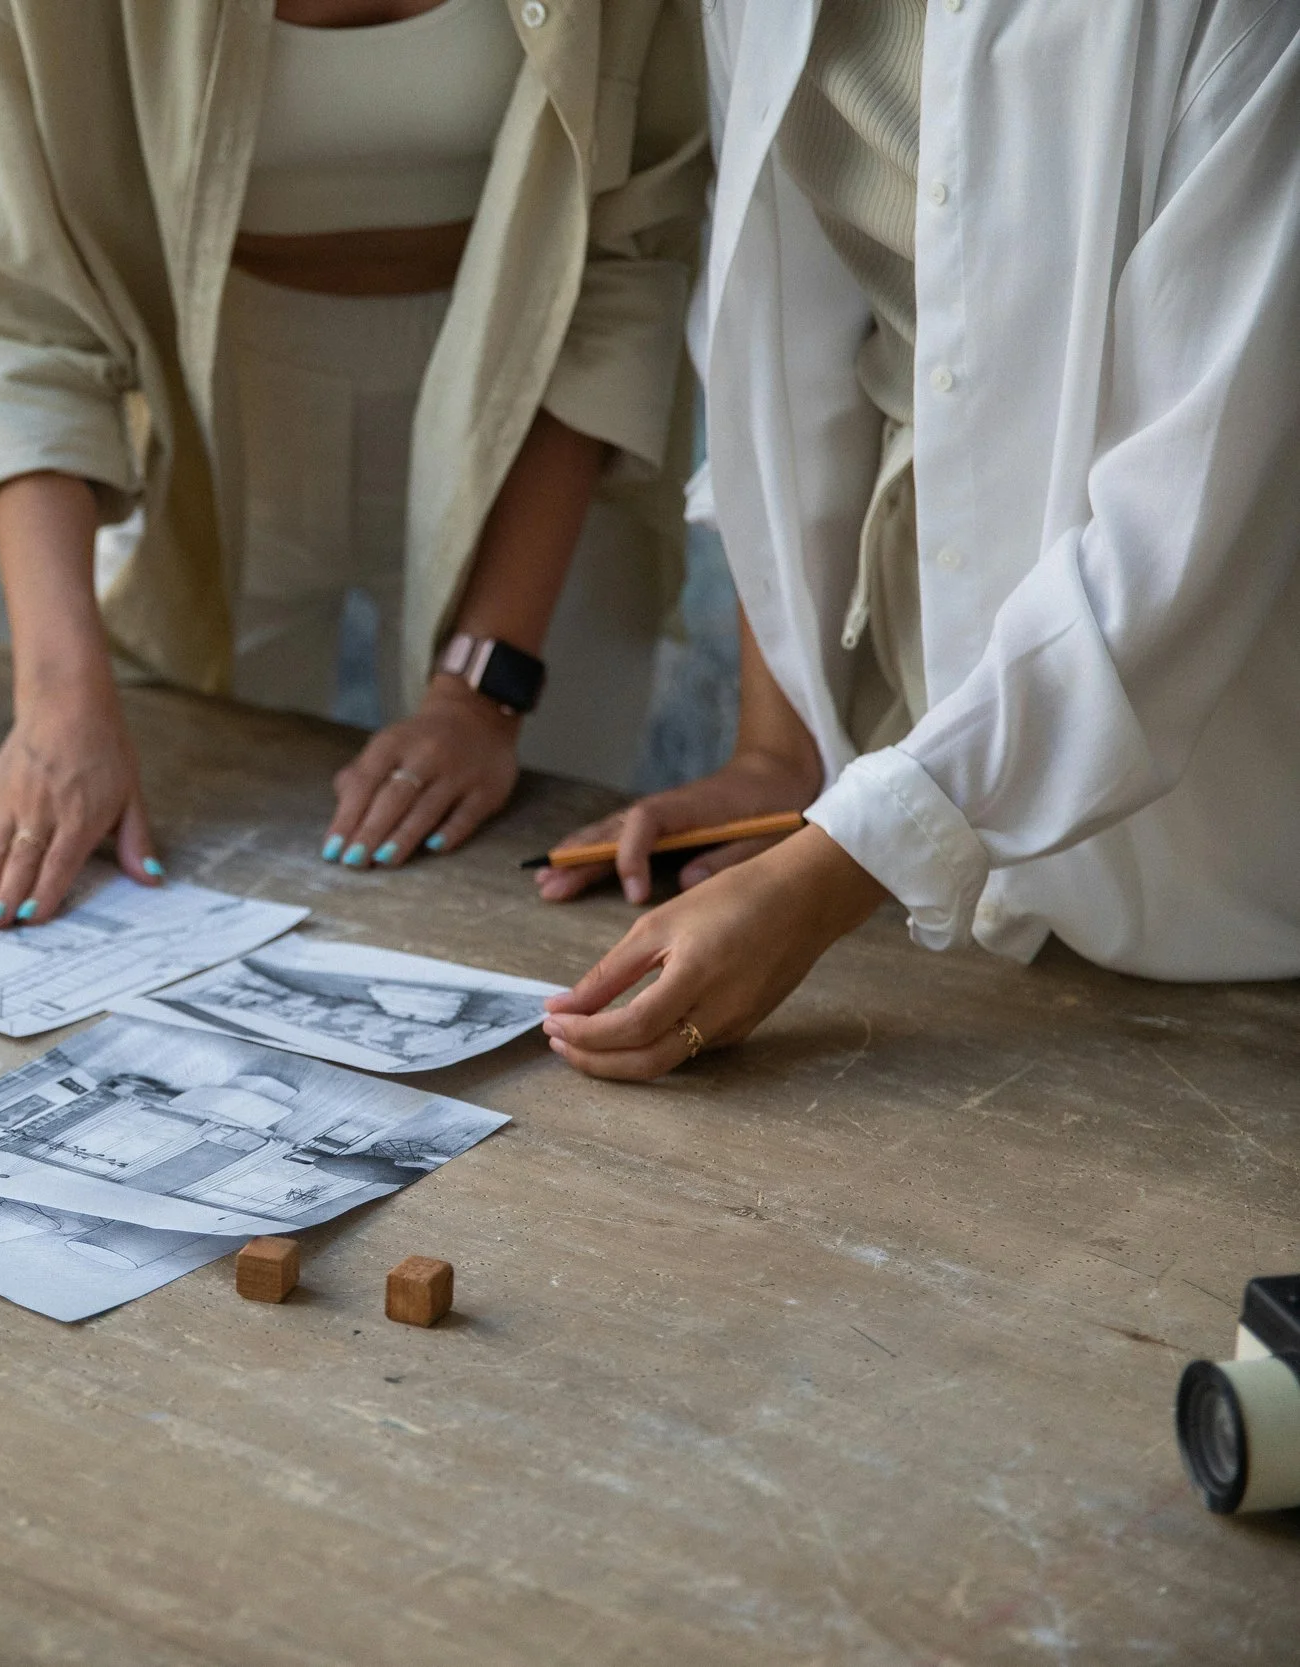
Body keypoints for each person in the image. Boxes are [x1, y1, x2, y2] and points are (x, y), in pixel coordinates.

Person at [539, 1, 1300, 1080]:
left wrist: (831, 873)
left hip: (1207, 791)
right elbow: (771, 340)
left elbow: (1186, 519)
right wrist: (780, 755)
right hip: (899, 704)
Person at [0, 0, 710, 925]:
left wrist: (483, 694)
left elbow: (626, 259)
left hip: (539, 424)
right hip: (201, 408)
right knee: (153, 880)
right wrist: (57, 702)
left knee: (529, 887)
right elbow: (25, 319)